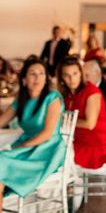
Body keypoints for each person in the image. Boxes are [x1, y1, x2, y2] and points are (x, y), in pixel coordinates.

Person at [0, 57, 66, 209]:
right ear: (23, 79)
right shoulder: (21, 100)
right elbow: (2, 120)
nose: (38, 78)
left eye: (41, 73)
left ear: (46, 78)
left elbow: (47, 133)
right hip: (27, 147)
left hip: (47, 149)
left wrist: (21, 146)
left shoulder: (52, 97)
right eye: (32, 74)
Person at [58, 57, 106, 169]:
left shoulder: (92, 92)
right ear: (62, 78)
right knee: (51, 150)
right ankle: (63, 184)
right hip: (75, 142)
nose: (71, 79)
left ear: (81, 73)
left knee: (56, 155)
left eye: (75, 73)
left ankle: (66, 185)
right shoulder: (67, 96)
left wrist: (62, 120)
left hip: (94, 147)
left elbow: (89, 124)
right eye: (67, 75)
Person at [83, 59, 106, 131]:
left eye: (87, 75)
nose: (84, 79)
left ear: (97, 73)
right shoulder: (87, 89)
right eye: (83, 76)